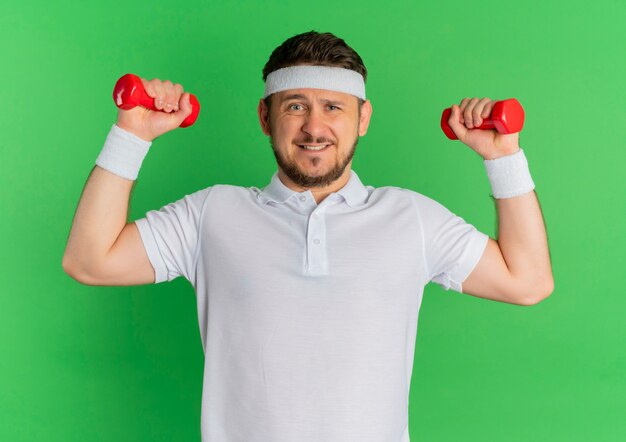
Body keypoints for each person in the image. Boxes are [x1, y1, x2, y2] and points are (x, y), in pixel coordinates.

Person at [63, 31, 553, 442]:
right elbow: (90, 261)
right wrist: (132, 133)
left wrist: (502, 156)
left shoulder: (411, 218)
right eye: (296, 106)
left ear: (363, 118)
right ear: (265, 117)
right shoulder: (212, 213)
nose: (314, 127)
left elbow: (527, 281)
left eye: (333, 107)